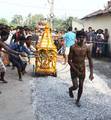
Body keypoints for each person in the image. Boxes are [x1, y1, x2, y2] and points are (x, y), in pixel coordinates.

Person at [68, 31, 94, 107]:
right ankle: (70, 89)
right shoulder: (73, 47)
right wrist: (76, 70)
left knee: (81, 86)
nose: (81, 39)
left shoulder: (87, 48)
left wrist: (91, 73)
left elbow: (90, 60)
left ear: (85, 38)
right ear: (77, 38)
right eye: (79, 37)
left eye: (83, 37)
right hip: (74, 68)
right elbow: (69, 60)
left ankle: (78, 100)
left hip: (82, 69)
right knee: (75, 86)